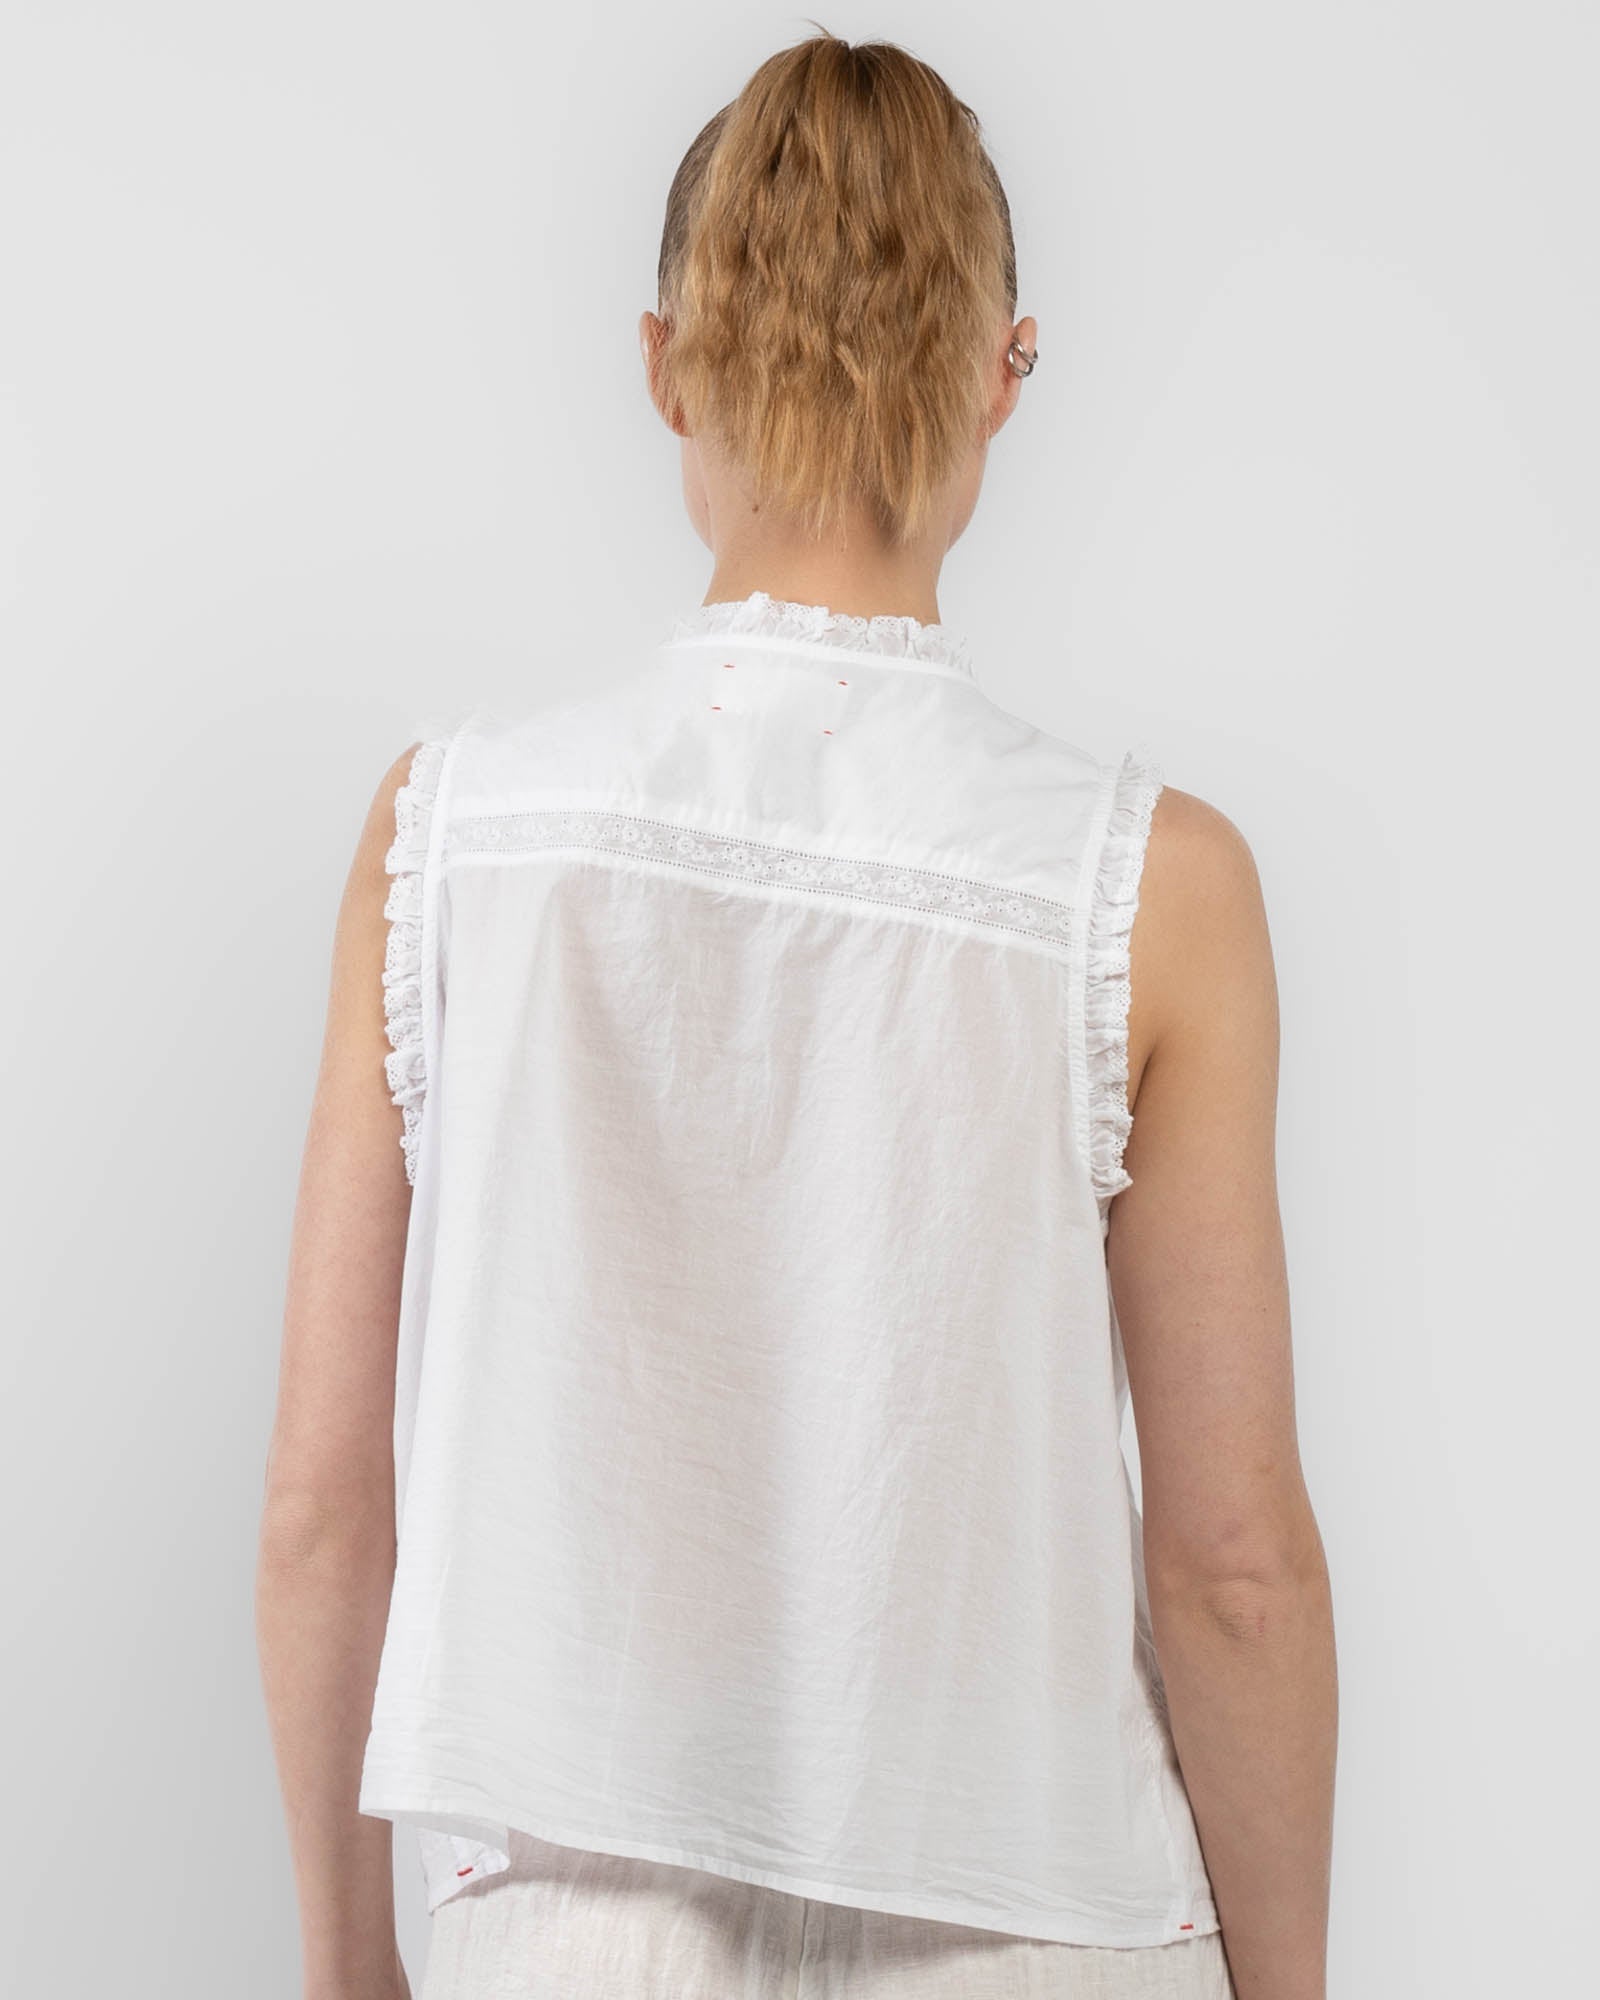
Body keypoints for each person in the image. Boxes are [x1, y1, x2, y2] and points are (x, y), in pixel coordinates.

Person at [256, 30, 1337, 2000]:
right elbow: (1231, 1563)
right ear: (1000, 374)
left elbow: (327, 1511)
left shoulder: (450, 839)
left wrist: (345, 1964)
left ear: (666, 364)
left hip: (575, 1938)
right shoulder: (1147, 887)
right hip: (1037, 1926)